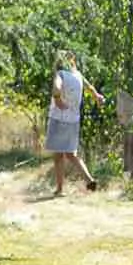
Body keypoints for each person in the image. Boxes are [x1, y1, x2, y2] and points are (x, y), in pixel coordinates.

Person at [47, 50, 102, 195]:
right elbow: (90, 88)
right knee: (71, 154)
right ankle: (89, 180)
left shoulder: (60, 74)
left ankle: (59, 189)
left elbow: (56, 87)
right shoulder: (78, 75)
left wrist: (58, 98)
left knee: (58, 156)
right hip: (74, 120)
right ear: (73, 61)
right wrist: (97, 97)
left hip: (58, 119)